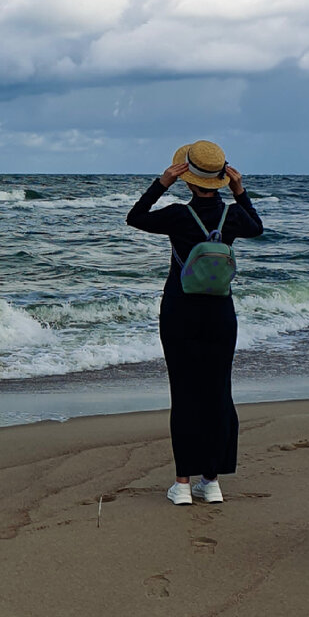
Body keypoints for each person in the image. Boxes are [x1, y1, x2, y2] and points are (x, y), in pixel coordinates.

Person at [125, 140, 263, 505]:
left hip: (179, 312)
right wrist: (240, 191)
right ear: (220, 177)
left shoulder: (176, 215)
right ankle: (212, 481)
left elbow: (135, 217)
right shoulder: (232, 216)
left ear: (187, 177)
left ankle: (182, 485)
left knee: (184, 395)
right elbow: (257, 228)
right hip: (220, 314)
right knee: (218, 393)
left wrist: (161, 183)